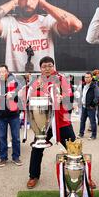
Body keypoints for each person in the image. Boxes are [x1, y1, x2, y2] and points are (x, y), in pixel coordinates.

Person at [0, 0, 82, 72]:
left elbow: (75, 25)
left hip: (45, 83)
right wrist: (13, 2)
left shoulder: (48, 21)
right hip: (15, 85)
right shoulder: (9, 23)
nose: (28, 2)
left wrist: (44, 4)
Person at [26, 56, 76, 188]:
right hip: (44, 122)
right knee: (37, 149)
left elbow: (70, 96)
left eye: (49, 65)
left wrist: (62, 98)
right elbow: (31, 99)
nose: (47, 68)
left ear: (53, 66)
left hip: (62, 120)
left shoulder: (61, 79)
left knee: (74, 149)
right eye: (44, 66)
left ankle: (83, 174)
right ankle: (33, 176)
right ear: (40, 68)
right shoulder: (37, 82)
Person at [0, 64, 22, 167]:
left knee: (16, 137)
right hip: (1, 114)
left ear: (7, 72)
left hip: (13, 114)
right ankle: (3, 158)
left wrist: (13, 94)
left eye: (3, 71)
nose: (1, 73)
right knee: (2, 137)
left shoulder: (14, 80)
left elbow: (21, 89)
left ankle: (16, 157)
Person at [78, 72, 99, 140]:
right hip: (84, 106)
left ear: (91, 78)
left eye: (88, 77)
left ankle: (94, 135)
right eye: (85, 77)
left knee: (92, 121)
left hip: (90, 107)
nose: (86, 79)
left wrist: (92, 105)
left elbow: (97, 97)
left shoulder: (94, 86)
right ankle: (81, 133)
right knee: (82, 121)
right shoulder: (83, 85)